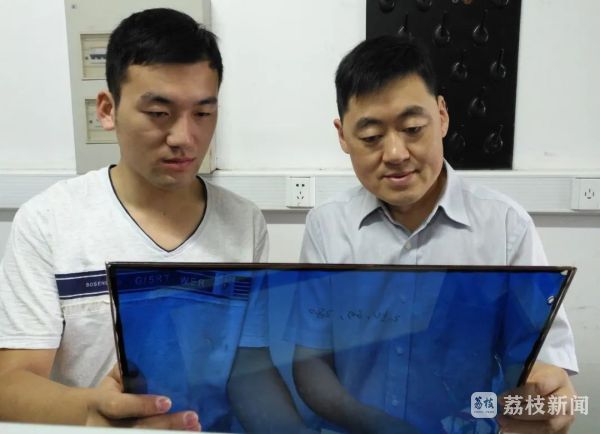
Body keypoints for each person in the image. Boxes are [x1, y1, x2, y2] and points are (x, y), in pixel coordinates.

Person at [0, 8, 304, 432]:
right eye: (159, 113)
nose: (184, 138)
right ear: (108, 109)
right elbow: (11, 384)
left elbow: (248, 371)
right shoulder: (50, 221)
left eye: (203, 113)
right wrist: (94, 411)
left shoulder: (243, 222)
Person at [289, 35, 578, 433]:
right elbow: (310, 361)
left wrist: (543, 389)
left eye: (412, 128)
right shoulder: (328, 226)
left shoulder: (505, 226)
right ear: (342, 136)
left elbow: (539, 360)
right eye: (371, 137)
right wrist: (376, 424)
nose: (395, 153)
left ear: (441, 116)